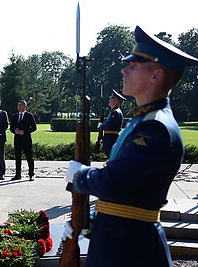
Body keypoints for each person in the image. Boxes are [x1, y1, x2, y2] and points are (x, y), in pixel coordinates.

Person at [63, 26, 198, 267]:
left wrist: (81, 175)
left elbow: (114, 183)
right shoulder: (142, 122)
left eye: (133, 66)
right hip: (120, 242)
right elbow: (130, 195)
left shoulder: (154, 128)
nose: (124, 70)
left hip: (131, 250)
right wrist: (90, 219)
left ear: (156, 76)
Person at [10, 100, 37, 181]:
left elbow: (34, 128)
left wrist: (24, 131)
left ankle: (31, 174)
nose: (19, 107)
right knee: (17, 157)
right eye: (18, 105)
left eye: (20, 105)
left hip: (26, 139)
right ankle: (18, 174)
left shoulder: (29, 116)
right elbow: (11, 127)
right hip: (17, 139)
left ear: (25, 107)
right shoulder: (15, 116)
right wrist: (15, 131)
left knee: (29, 157)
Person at [97, 89, 126, 157]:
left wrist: (101, 126)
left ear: (116, 101)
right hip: (110, 137)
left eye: (111, 98)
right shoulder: (113, 112)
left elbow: (110, 126)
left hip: (111, 139)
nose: (109, 100)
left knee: (111, 156)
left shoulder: (115, 113)